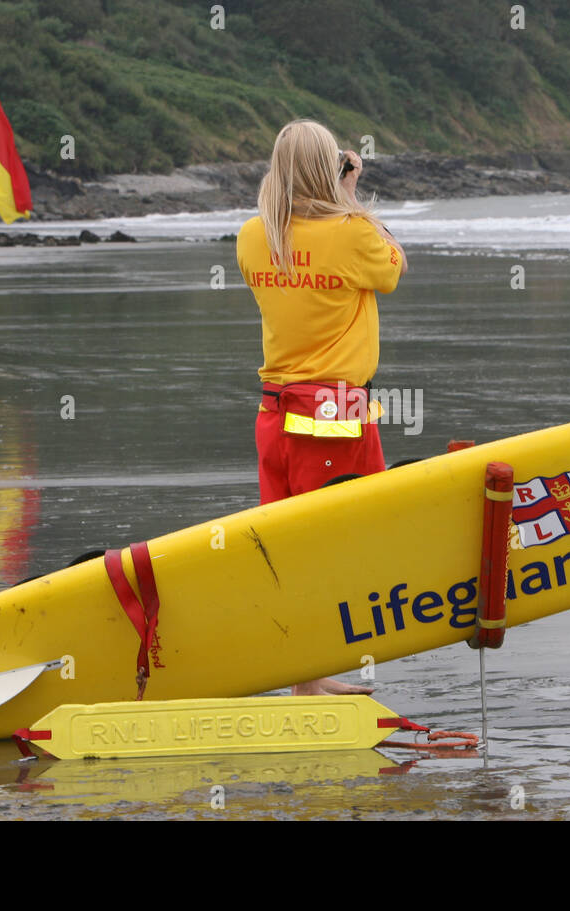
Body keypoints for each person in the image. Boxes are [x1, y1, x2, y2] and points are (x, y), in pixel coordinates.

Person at [236, 119, 407, 697]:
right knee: (342, 543)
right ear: (330, 168)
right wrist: (352, 195)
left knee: (291, 548)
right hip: (332, 411)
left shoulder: (252, 236)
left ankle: (305, 677)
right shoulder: (352, 231)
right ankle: (311, 674)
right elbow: (392, 270)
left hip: (273, 413)